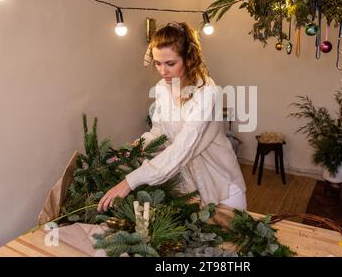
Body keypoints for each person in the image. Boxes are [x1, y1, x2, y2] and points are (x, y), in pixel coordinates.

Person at [97, 22, 247, 212]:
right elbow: (160, 131)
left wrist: (129, 182)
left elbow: (183, 146)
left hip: (220, 184)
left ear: (189, 58)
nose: (163, 71)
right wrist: (138, 146)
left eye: (170, 63)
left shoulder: (207, 92)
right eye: (158, 63)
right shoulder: (161, 88)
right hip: (186, 188)